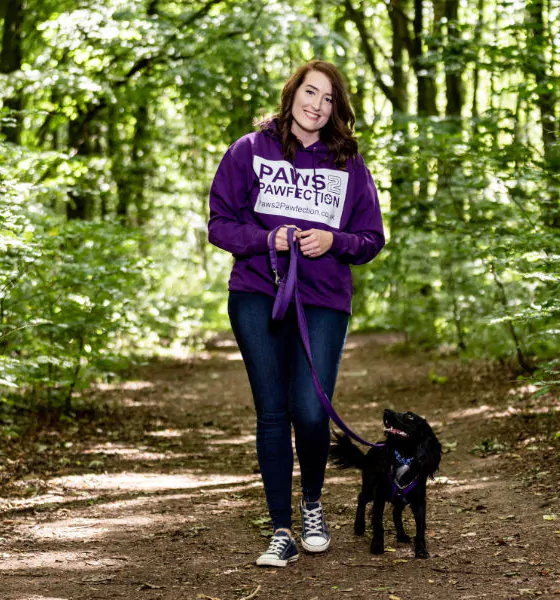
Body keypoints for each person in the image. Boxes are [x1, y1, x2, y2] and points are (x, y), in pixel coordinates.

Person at [207, 59, 385, 567]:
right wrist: (269, 238)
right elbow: (219, 225)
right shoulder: (248, 150)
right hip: (256, 293)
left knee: (309, 410)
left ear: (336, 110)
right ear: (292, 94)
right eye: (311, 92)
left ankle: (311, 503)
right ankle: (281, 528)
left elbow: (371, 238)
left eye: (329, 99)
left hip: (324, 298)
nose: (317, 105)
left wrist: (334, 241)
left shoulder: (348, 163)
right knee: (271, 412)